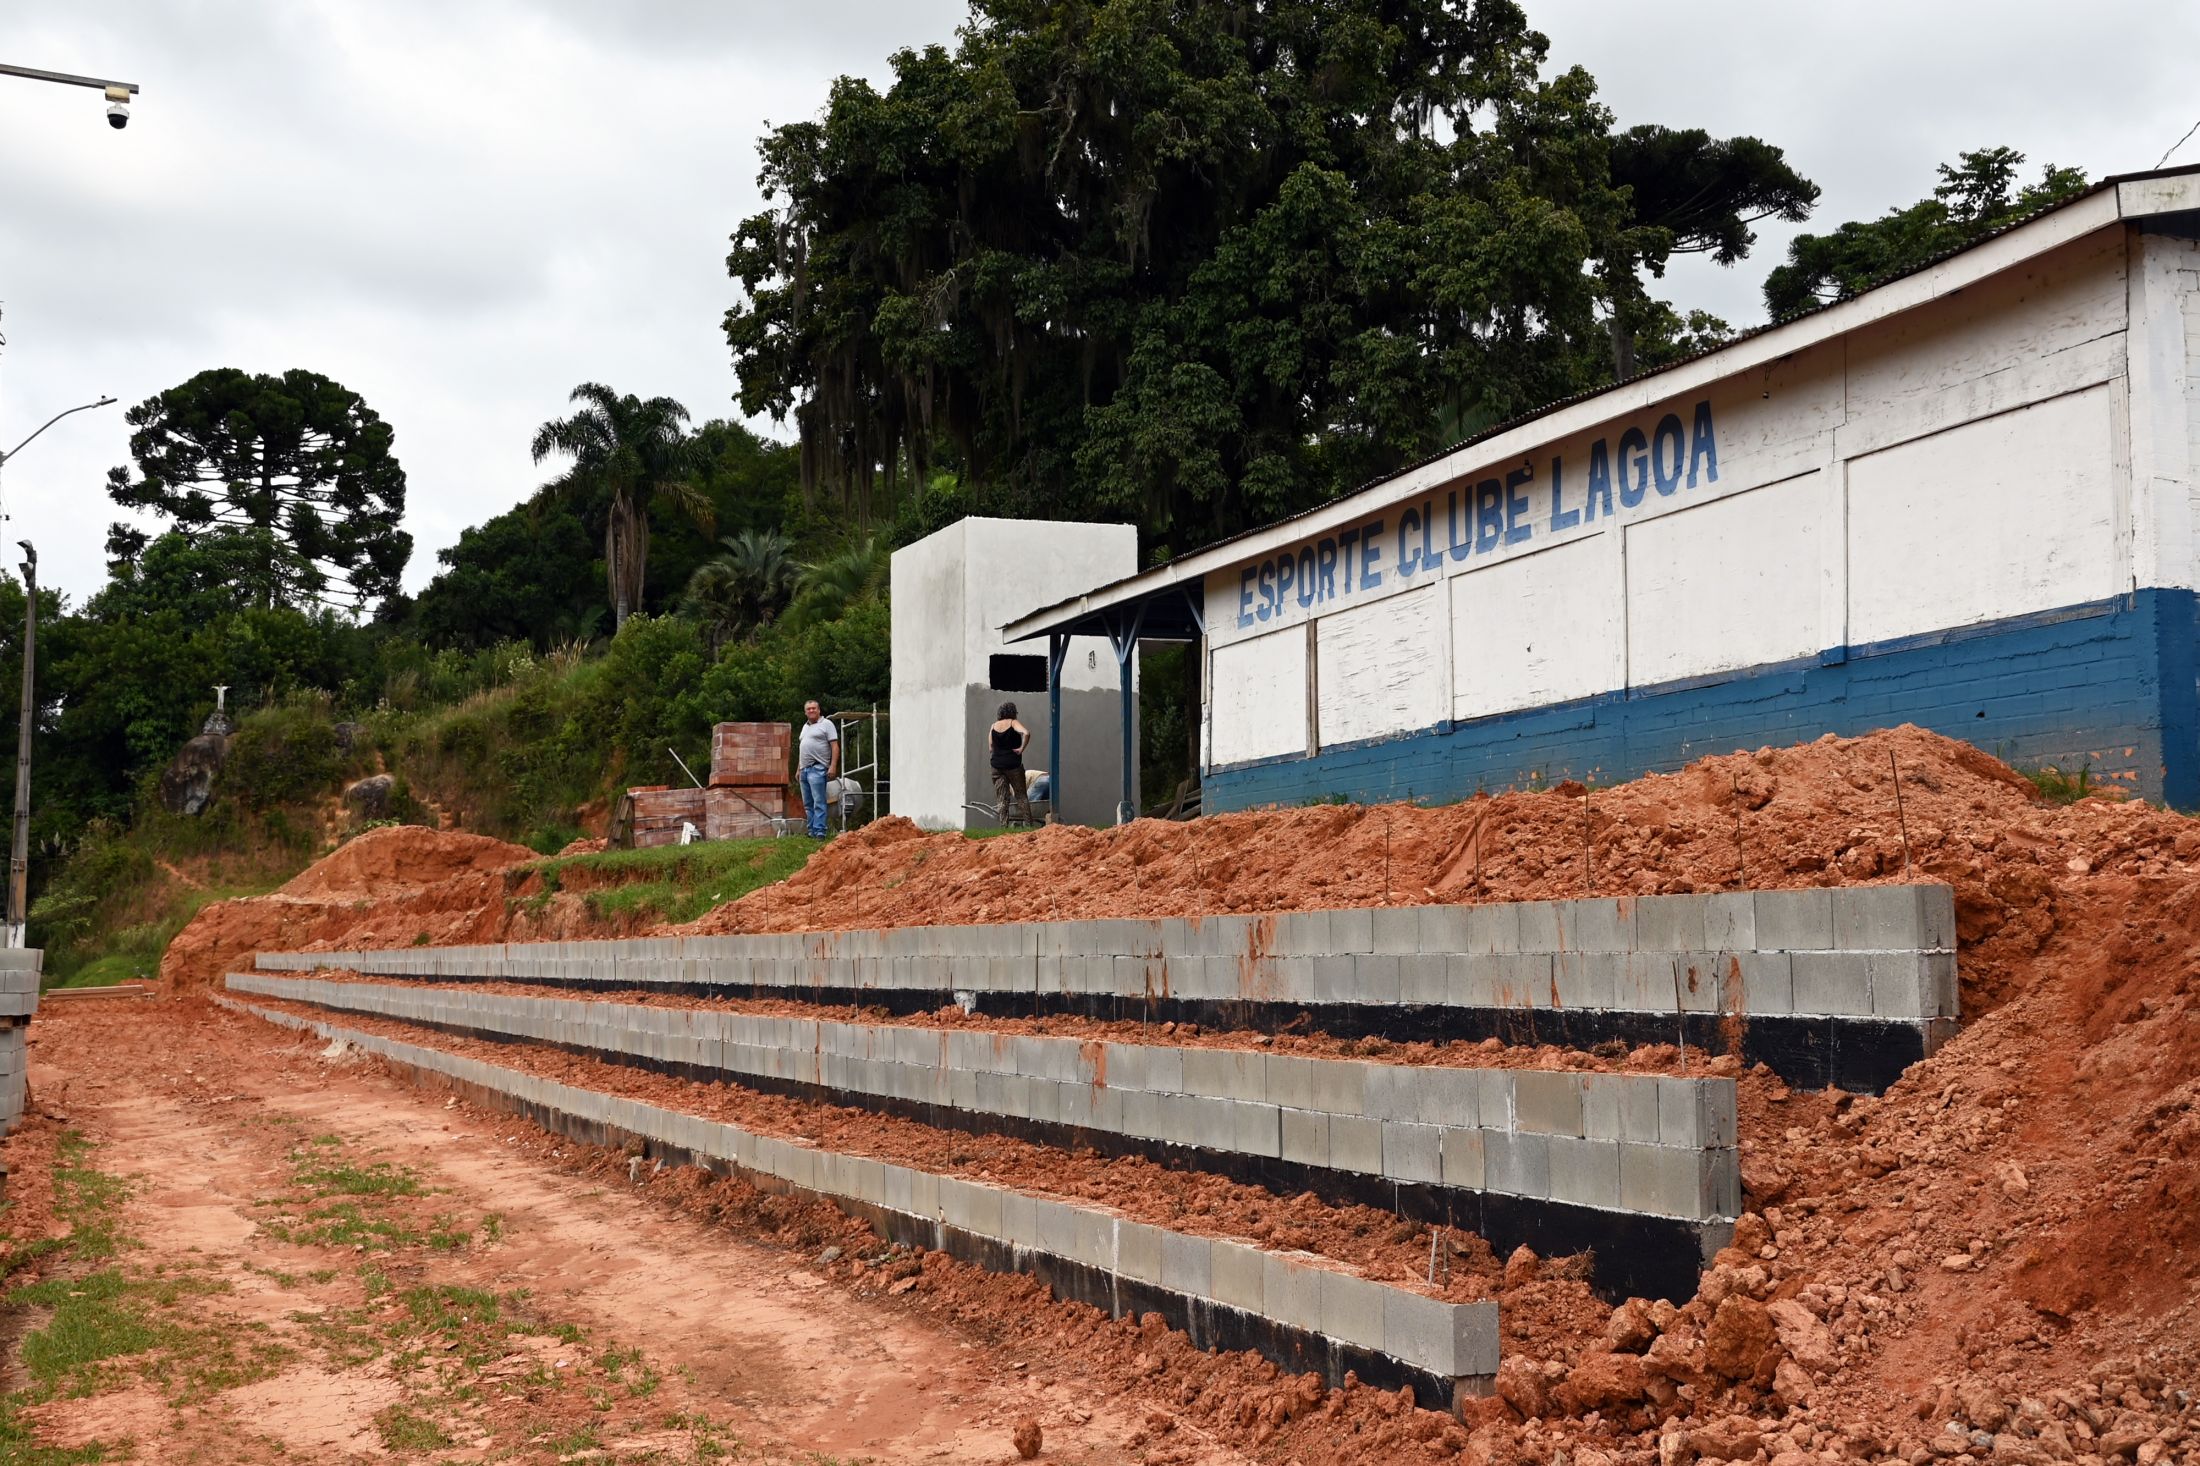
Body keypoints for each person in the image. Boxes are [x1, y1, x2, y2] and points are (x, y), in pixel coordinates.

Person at [797, 700, 838, 838]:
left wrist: (832, 766)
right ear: (805, 712)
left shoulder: (826, 724)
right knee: (808, 804)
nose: (811, 711)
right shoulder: (805, 727)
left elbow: (834, 746)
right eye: (808, 709)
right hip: (804, 769)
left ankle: (820, 831)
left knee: (819, 802)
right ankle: (811, 831)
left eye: (814, 708)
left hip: (818, 767)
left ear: (819, 710)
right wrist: (798, 769)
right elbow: (802, 749)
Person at [988, 701, 1033, 826]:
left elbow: (991, 747)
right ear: (1013, 712)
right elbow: (1026, 733)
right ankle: (1029, 825)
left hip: (996, 766)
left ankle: (1004, 827)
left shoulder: (993, 726)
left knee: (1002, 798)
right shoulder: (1013, 722)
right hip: (1013, 766)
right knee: (1021, 796)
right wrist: (1021, 748)